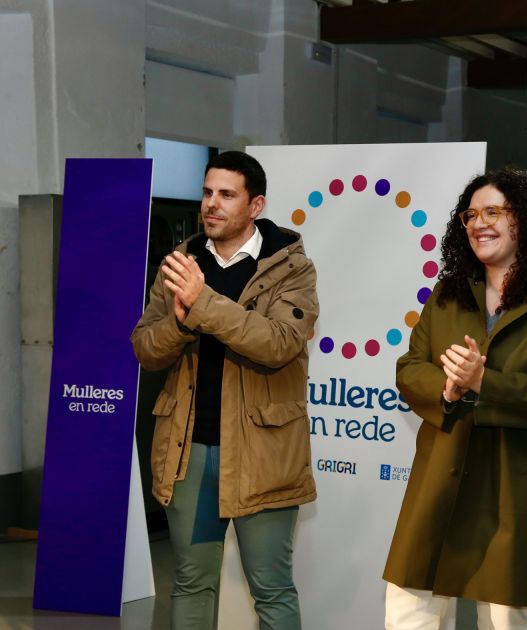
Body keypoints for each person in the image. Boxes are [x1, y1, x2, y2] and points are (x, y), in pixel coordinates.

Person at [383, 166, 527, 630]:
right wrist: (448, 388)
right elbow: (409, 368)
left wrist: (482, 381)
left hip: (510, 492)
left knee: (504, 621)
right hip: (439, 481)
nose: (479, 224)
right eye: (470, 215)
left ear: (525, 221)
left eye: (493, 212)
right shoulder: (448, 294)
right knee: (409, 615)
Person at [131, 150, 318, 630]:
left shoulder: (291, 268)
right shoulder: (181, 265)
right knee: (191, 583)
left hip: (263, 452)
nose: (211, 204)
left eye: (226, 195)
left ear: (255, 205)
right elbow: (146, 349)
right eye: (207, 193)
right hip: (188, 451)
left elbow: (279, 343)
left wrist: (202, 303)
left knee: (272, 590)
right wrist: (179, 323)